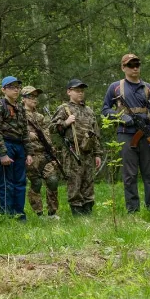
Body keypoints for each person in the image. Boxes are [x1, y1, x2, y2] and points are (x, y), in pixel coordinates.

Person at [102, 54, 150, 213]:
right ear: (123, 67)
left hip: (147, 135)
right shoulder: (115, 87)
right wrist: (121, 117)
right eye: (131, 65)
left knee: (149, 175)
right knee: (129, 175)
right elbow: (105, 110)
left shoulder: (149, 88)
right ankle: (133, 211)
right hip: (126, 134)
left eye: (137, 64)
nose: (135, 68)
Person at [53, 79, 102, 216]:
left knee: (88, 182)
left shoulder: (89, 111)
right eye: (77, 90)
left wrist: (97, 153)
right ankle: (77, 213)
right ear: (69, 92)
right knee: (75, 182)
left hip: (88, 152)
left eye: (82, 91)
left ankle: (88, 210)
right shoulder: (64, 109)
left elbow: (95, 134)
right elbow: (51, 128)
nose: (80, 93)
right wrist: (65, 123)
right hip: (72, 152)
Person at [0, 76, 31, 220]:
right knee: (6, 182)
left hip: (20, 145)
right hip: (6, 144)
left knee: (20, 182)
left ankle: (19, 214)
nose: (16, 90)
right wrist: (2, 153)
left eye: (18, 87)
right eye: (12, 87)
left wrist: (29, 152)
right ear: (3, 89)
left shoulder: (20, 107)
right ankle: (7, 214)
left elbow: (25, 131)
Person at [23, 86, 60, 219]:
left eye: (35, 97)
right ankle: (38, 213)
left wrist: (53, 154)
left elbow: (47, 136)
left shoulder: (40, 116)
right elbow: (14, 132)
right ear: (23, 99)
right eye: (30, 97)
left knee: (53, 180)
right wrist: (28, 135)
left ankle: (52, 212)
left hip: (45, 154)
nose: (34, 100)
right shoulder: (19, 115)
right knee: (36, 183)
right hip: (30, 154)